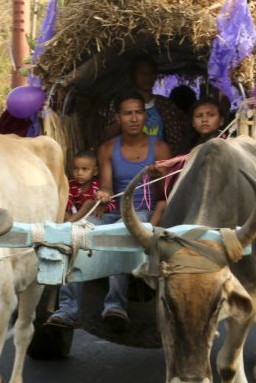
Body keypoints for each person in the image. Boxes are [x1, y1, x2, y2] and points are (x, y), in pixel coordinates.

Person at [46, 91, 171, 330]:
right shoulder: (107, 148)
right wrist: (102, 195)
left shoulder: (161, 149)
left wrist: (159, 178)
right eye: (127, 113)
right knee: (76, 235)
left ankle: (115, 305)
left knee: (118, 236)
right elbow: (106, 186)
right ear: (118, 118)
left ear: (145, 116)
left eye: (138, 112)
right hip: (112, 209)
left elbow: (163, 197)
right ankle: (68, 309)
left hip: (142, 211)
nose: (134, 118)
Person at [65, 149, 116, 223]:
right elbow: (68, 200)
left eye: (84, 169)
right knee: (62, 208)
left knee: (89, 202)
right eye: (76, 169)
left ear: (95, 171)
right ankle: (71, 223)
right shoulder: (71, 184)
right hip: (76, 215)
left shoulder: (99, 185)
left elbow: (112, 204)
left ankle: (69, 223)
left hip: (94, 214)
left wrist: (102, 206)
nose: (79, 173)